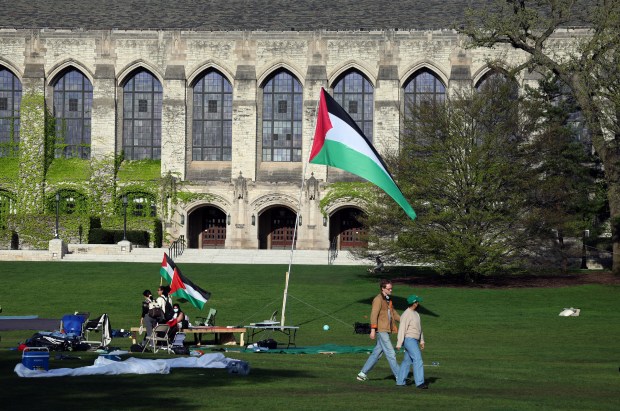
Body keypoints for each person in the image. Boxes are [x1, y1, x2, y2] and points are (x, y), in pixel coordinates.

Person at [357, 279, 401, 382]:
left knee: (376, 353)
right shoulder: (378, 299)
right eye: (389, 288)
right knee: (391, 353)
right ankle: (400, 376)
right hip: (381, 330)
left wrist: (405, 321)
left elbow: (393, 313)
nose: (391, 290)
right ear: (383, 288)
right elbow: (374, 315)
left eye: (391, 288)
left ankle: (362, 373)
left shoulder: (388, 299)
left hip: (387, 329)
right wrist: (373, 330)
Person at [396, 294, 428, 389]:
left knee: (407, 360)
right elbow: (402, 329)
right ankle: (420, 383)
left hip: (414, 340)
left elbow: (419, 329)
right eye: (417, 302)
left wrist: (422, 341)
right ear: (414, 303)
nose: (419, 303)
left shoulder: (416, 314)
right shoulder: (406, 314)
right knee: (418, 359)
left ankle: (400, 381)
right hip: (409, 340)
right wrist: (399, 343)